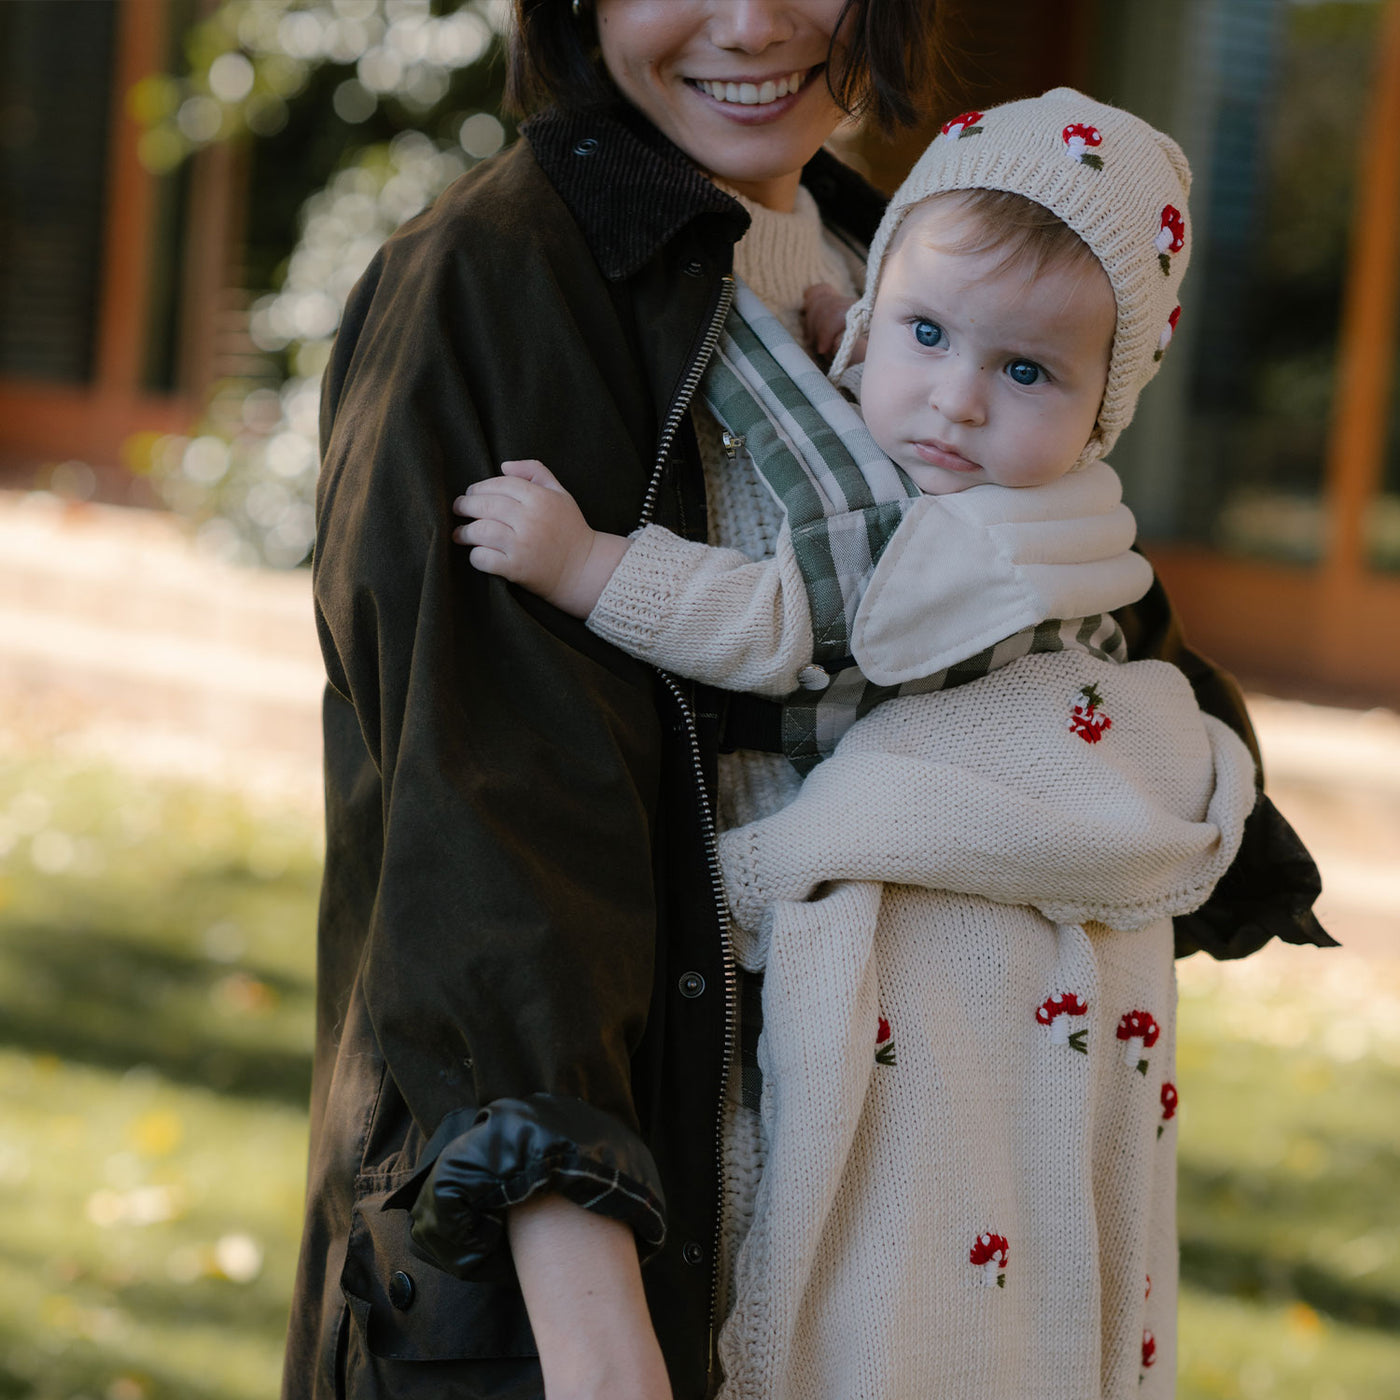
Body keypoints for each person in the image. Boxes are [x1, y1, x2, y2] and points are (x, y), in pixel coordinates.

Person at [289, 1, 1329, 1395]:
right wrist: (599, 1339)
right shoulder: (496, 281)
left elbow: (1107, 642)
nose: (755, 17)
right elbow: (485, 820)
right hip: (612, 1267)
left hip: (929, 1238)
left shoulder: (913, 262)